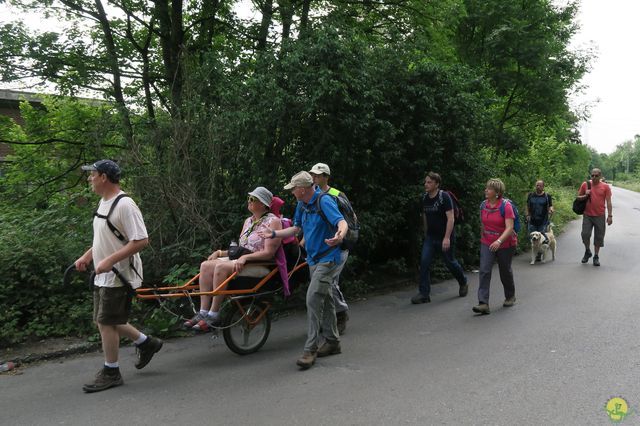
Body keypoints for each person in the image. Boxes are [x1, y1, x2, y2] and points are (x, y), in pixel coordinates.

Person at [75, 160, 162, 393]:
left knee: (106, 322)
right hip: (104, 272)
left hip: (120, 274)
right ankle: (147, 343)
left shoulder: (125, 205)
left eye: (92, 175)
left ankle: (111, 372)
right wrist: (87, 257)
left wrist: (110, 261)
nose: (89, 179)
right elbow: (104, 240)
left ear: (104, 177)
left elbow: (141, 240)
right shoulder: (103, 202)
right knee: (103, 320)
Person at [259, 171, 348, 370]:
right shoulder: (302, 205)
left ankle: (310, 349)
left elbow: (341, 222)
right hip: (313, 259)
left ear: (301, 189)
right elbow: (296, 229)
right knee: (324, 299)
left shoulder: (324, 201)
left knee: (312, 298)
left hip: (329, 259)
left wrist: (340, 235)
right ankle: (333, 342)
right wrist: (274, 233)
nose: (291, 192)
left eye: (293, 189)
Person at [183, 187, 283, 331]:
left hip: (260, 263)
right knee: (206, 265)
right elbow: (240, 249)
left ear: (263, 204)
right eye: (249, 198)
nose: (249, 201)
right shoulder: (248, 221)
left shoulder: (273, 222)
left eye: (253, 199)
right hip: (244, 259)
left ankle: (214, 313)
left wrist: (245, 258)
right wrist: (220, 253)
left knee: (221, 267)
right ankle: (203, 312)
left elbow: (268, 253)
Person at [411, 172, 468, 304]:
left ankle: (463, 282)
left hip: (445, 236)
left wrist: (447, 238)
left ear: (436, 184)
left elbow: (451, 218)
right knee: (424, 262)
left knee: (450, 262)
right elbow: (425, 215)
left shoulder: (444, 197)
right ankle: (424, 294)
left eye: (429, 182)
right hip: (431, 237)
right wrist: (426, 234)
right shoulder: (425, 197)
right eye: (425, 182)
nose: (426, 184)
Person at [309, 162, 350, 334]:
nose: (314, 178)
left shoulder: (335, 195)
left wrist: (340, 236)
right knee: (322, 285)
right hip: (319, 249)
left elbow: (348, 220)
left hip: (337, 247)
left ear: (326, 177)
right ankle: (328, 321)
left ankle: (340, 314)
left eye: (318, 175)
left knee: (330, 283)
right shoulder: (311, 196)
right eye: (313, 175)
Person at [473, 178, 517, 315]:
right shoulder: (483, 205)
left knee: (505, 271)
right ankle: (483, 303)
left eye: (489, 189)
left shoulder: (506, 206)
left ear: (497, 192)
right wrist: (483, 239)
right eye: (486, 188)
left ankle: (510, 296)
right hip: (487, 242)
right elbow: (483, 224)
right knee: (484, 270)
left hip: (505, 243)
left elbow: (510, 228)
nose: (486, 190)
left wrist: (498, 241)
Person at [576, 168, 612, 266]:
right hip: (587, 215)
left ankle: (596, 256)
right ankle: (587, 251)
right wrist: (585, 195)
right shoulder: (585, 184)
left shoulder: (605, 187)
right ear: (590, 175)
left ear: (600, 176)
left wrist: (610, 215)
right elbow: (578, 197)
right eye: (592, 175)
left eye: (596, 175)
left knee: (599, 237)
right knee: (585, 235)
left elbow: (608, 201)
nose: (594, 177)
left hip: (600, 215)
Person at [526, 180, 554, 261]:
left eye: (540, 185)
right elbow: (527, 206)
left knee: (541, 238)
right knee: (532, 237)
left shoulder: (547, 196)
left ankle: (539, 254)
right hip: (532, 220)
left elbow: (551, 206)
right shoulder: (531, 195)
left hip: (543, 221)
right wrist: (527, 214)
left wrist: (551, 210)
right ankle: (537, 252)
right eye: (537, 185)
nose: (538, 187)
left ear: (543, 187)